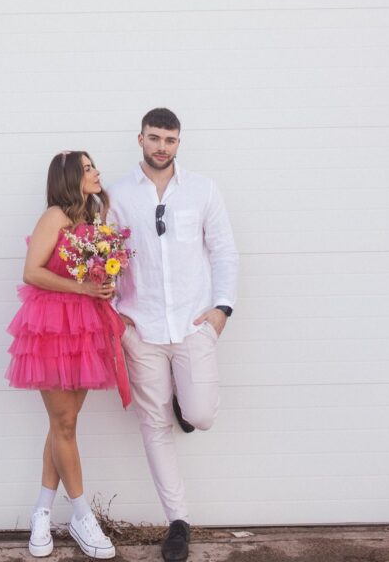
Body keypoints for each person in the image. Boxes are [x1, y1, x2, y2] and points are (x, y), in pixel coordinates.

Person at [108, 108, 238, 562]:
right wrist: (113, 314)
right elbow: (104, 256)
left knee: (201, 414)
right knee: (153, 424)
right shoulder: (117, 195)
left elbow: (223, 251)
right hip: (140, 328)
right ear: (139, 138)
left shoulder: (203, 189)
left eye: (170, 139)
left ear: (179, 143)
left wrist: (222, 309)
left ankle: (186, 399)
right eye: (154, 138)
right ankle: (178, 521)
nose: (162, 146)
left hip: (192, 324)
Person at [6, 150, 130, 560]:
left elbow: (93, 271)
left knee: (64, 423)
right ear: (70, 177)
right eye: (89, 168)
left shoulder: (93, 219)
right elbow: (32, 271)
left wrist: (105, 281)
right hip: (53, 326)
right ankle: (81, 514)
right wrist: (83, 289)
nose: (97, 173)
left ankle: (41, 512)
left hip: (86, 327)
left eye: (95, 167)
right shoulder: (56, 216)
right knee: (63, 422)